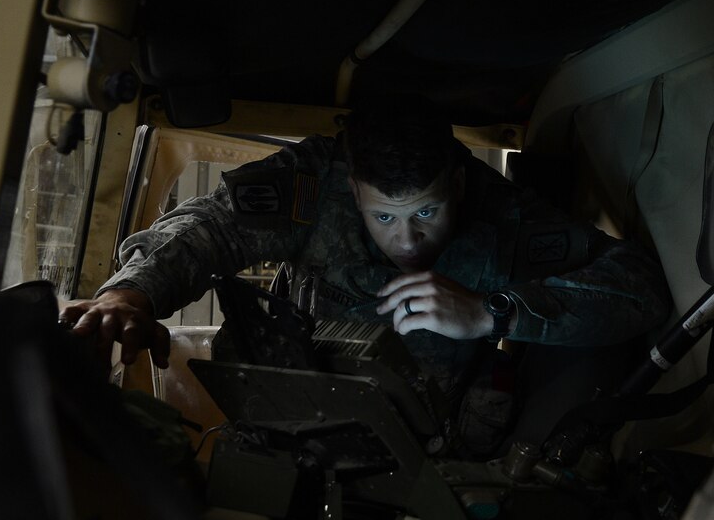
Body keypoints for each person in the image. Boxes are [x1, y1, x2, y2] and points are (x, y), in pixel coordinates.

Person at [59, 105, 671, 457]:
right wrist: (129, 292)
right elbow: (207, 228)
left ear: (457, 184)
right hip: (293, 425)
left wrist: (496, 311)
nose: (408, 241)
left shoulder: (501, 214)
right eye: (385, 217)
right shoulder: (316, 183)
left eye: (426, 214)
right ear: (353, 190)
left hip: (435, 446)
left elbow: (638, 284)